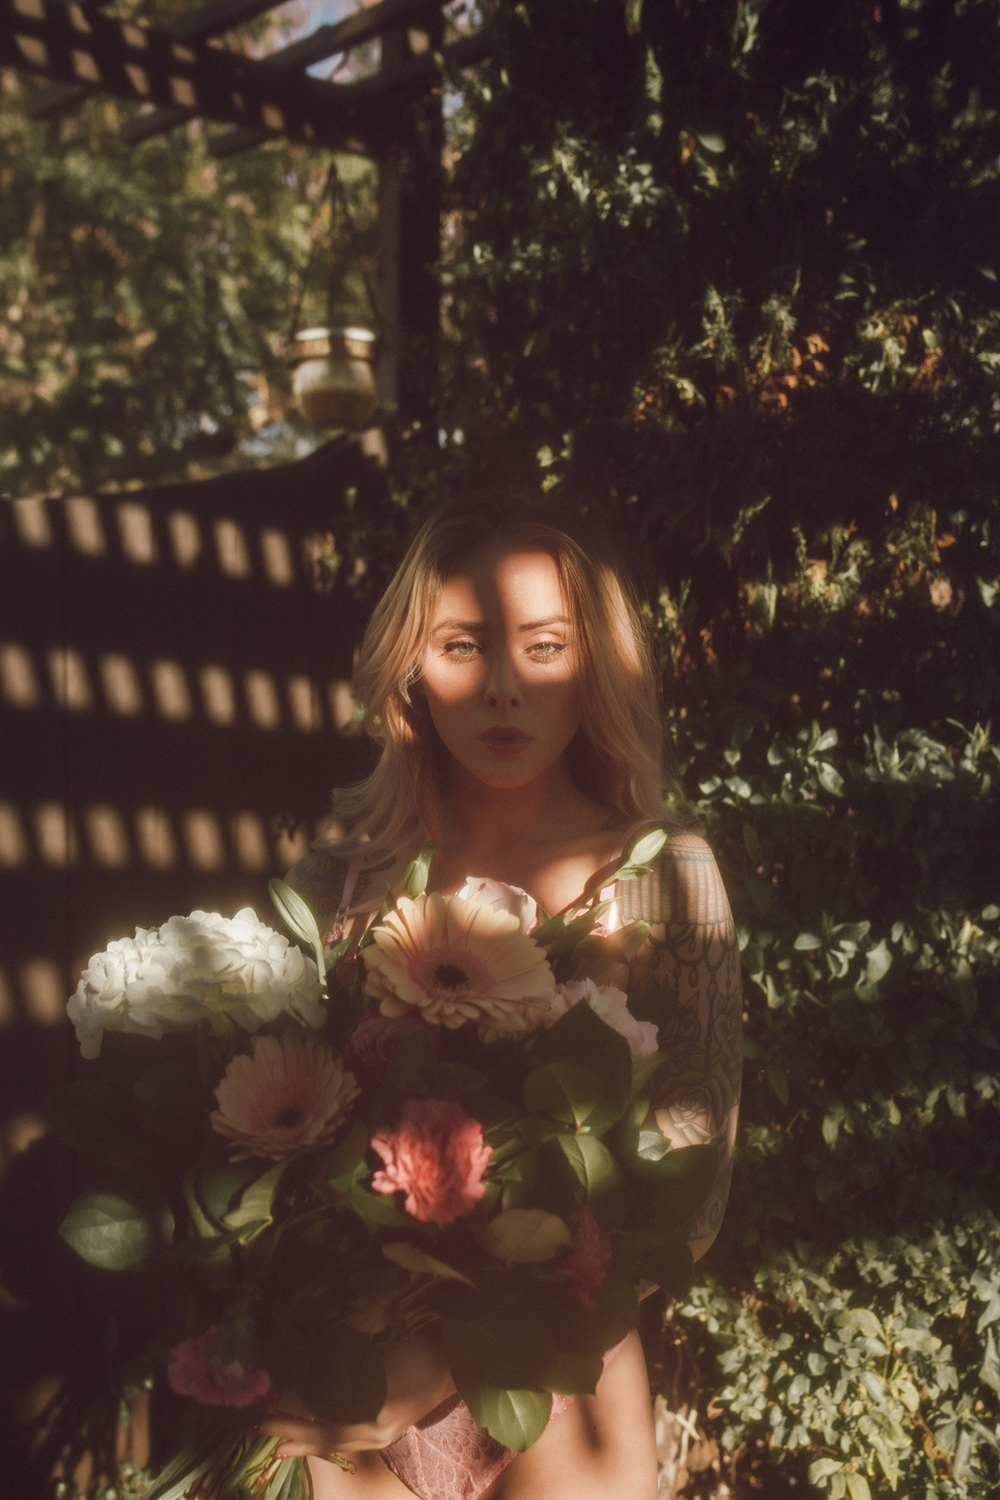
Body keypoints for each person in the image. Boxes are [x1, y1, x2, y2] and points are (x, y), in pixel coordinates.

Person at [261, 495, 742, 1500]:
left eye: (544, 647)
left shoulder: (662, 875)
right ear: (411, 666)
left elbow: (688, 1204)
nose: (503, 688)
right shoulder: (340, 881)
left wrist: (438, 1367)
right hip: (355, 1385)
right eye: (463, 646)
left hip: (561, 1393)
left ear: (595, 667)